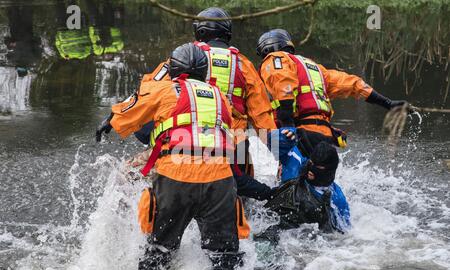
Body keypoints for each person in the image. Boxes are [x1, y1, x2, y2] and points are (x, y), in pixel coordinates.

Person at [96, 43, 250, 270]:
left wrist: (109, 121)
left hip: (175, 178)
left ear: (174, 69)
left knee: (158, 253)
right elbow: (230, 131)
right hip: (219, 180)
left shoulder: (164, 90)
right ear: (205, 71)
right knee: (225, 258)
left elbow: (129, 111)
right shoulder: (220, 96)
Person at [133, 7, 278, 201]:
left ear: (199, 31)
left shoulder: (183, 57)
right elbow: (262, 117)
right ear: (227, 33)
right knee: (242, 197)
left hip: (185, 140)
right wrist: (279, 152)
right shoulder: (244, 65)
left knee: (131, 175)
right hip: (234, 144)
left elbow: (148, 91)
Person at [257, 29, 407, 156]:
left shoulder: (275, 59)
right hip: (325, 135)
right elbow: (353, 84)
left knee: (290, 176)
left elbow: (284, 85)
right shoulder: (315, 68)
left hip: (299, 133)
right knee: (322, 182)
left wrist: (287, 125)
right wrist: (387, 103)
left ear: (267, 48)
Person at [258, 129, 350, 243]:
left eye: (318, 167)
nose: (311, 170)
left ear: (329, 171)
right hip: (272, 221)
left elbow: (343, 233)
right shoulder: (296, 164)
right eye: (312, 163)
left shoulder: (337, 198)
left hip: (303, 239)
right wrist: (291, 134)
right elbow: (270, 139)